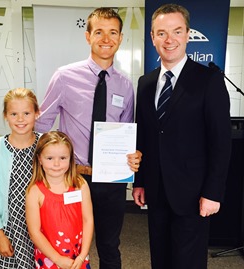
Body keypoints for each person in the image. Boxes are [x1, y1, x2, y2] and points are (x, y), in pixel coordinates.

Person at [35, 7, 142, 269]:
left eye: (113, 32)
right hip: (72, 178)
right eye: (99, 32)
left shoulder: (126, 85)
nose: (106, 39)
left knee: (109, 246)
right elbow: (42, 125)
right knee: (68, 245)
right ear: (87, 36)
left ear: (120, 37)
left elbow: (126, 132)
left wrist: (134, 154)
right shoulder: (64, 77)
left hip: (112, 180)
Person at [132, 3, 232, 269]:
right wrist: (140, 181)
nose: (169, 40)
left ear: (188, 34)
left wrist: (213, 192)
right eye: (161, 33)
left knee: (188, 262)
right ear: (152, 37)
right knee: (160, 259)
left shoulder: (209, 80)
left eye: (176, 31)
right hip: (156, 189)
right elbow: (143, 136)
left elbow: (220, 142)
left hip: (194, 194)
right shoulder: (146, 82)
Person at [0, 88, 41, 269]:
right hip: (10, 228)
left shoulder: (45, 144)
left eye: (26, 113)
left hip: (42, 228)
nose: (20, 119)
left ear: (37, 114)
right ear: (6, 116)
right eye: (14, 114)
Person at [25, 131, 93, 269]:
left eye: (63, 158)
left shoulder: (81, 185)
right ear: (40, 159)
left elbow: (88, 220)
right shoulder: (34, 192)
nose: (56, 164)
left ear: (70, 158)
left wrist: (83, 254)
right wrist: (57, 259)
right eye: (49, 158)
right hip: (49, 258)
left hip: (78, 258)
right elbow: (34, 232)